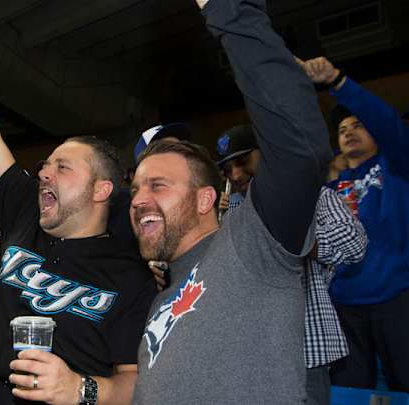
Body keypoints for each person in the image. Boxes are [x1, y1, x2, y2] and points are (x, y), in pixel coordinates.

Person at [0, 7, 157, 405]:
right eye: (46, 165)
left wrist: (78, 388)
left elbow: (134, 382)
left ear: (101, 189)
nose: (44, 174)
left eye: (63, 167)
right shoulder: (25, 211)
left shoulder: (130, 277)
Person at [129, 0, 333, 403]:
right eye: (135, 188)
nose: (138, 199)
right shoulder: (162, 299)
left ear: (207, 198)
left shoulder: (250, 245)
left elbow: (299, 148)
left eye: (158, 185)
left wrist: (229, 11)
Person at [212, 126, 367, 404]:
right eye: (227, 169)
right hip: (246, 358)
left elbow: (355, 246)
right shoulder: (230, 214)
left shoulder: (313, 198)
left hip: (304, 351)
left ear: (268, 155)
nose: (235, 175)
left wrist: (296, 235)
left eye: (244, 160)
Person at [298, 56, 409, 392]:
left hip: (396, 299)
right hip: (344, 307)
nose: (348, 132)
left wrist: (338, 82)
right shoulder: (329, 188)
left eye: (358, 125)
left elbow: (388, 122)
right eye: (343, 130)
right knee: (349, 394)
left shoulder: (397, 166)